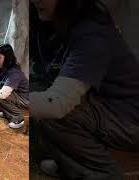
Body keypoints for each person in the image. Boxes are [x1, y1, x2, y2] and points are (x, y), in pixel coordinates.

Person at [30, 0, 139, 179]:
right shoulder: (58, 24)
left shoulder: (91, 33)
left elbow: (56, 104)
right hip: (105, 104)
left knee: (53, 112)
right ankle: (70, 164)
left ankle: (102, 174)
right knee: (38, 93)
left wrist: (9, 96)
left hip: (129, 118)